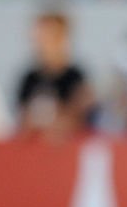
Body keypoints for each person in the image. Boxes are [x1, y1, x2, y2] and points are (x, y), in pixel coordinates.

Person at [15, 12, 95, 140]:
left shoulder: (76, 78)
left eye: (48, 38)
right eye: (39, 39)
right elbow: (22, 119)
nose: (41, 45)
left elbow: (79, 119)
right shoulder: (29, 78)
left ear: (61, 39)